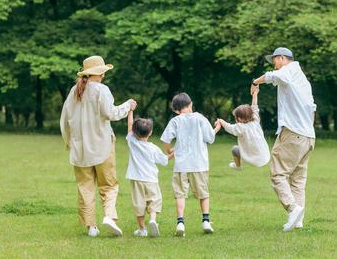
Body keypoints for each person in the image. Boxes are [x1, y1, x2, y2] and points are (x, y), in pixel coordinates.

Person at [60, 55, 137, 237]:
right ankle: (109, 217)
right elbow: (110, 113)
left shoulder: (74, 91)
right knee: (109, 184)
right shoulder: (102, 90)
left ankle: (91, 227)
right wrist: (128, 105)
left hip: (79, 150)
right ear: (100, 72)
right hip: (102, 145)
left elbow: (64, 120)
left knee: (85, 187)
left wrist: (69, 142)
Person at [252, 47, 316, 232]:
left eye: (274, 60)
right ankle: (298, 220)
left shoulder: (289, 70)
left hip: (293, 133)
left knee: (277, 173)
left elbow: (274, 76)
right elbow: (313, 108)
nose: (273, 64)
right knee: (298, 179)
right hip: (308, 136)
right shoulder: (303, 80)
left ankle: (292, 208)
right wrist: (307, 129)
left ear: (281, 58)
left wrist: (255, 82)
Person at [160, 93, 218, 237]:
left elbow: (165, 139)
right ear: (190, 104)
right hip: (199, 164)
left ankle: (180, 222)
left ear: (175, 109)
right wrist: (217, 128)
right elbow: (210, 138)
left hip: (181, 165)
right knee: (203, 194)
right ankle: (206, 220)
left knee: (180, 194)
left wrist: (169, 151)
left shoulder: (175, 121)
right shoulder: (200, 118)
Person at [126, 109, 172, 238]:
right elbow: (164, 160)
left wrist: (130, 112)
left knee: (138, 203)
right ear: (150, 132)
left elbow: (130, 127)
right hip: (151, 179)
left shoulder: (132, 142)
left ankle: (142, 229)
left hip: (136, 179)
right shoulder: (153, 148)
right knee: (154, 201)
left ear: (134, 132)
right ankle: (152, 220)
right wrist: (175, 152)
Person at [215, 83, 270, 170]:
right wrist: (255, 94)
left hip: (253, 160)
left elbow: (230, 128)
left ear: (239, 118)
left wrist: (221, 121)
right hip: (265, 157)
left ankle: (238, 166)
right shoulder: (255, 120)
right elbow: (254, 106)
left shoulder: (241, 127)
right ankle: (241, 164)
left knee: (235, 149)